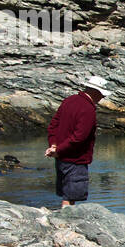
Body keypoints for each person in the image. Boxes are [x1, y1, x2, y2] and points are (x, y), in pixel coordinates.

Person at [45, 75, 108, 206]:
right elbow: (79, 137)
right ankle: (65, 222)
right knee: (70, 196)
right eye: (102, 94)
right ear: (95, 91)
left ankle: (64, 220)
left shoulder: (69, 100)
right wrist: (58, 149)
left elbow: (53, 126)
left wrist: (54, 146)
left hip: (61, 156)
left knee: (66, 193)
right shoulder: (88, 109)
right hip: (76, 159)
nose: (102, 98)